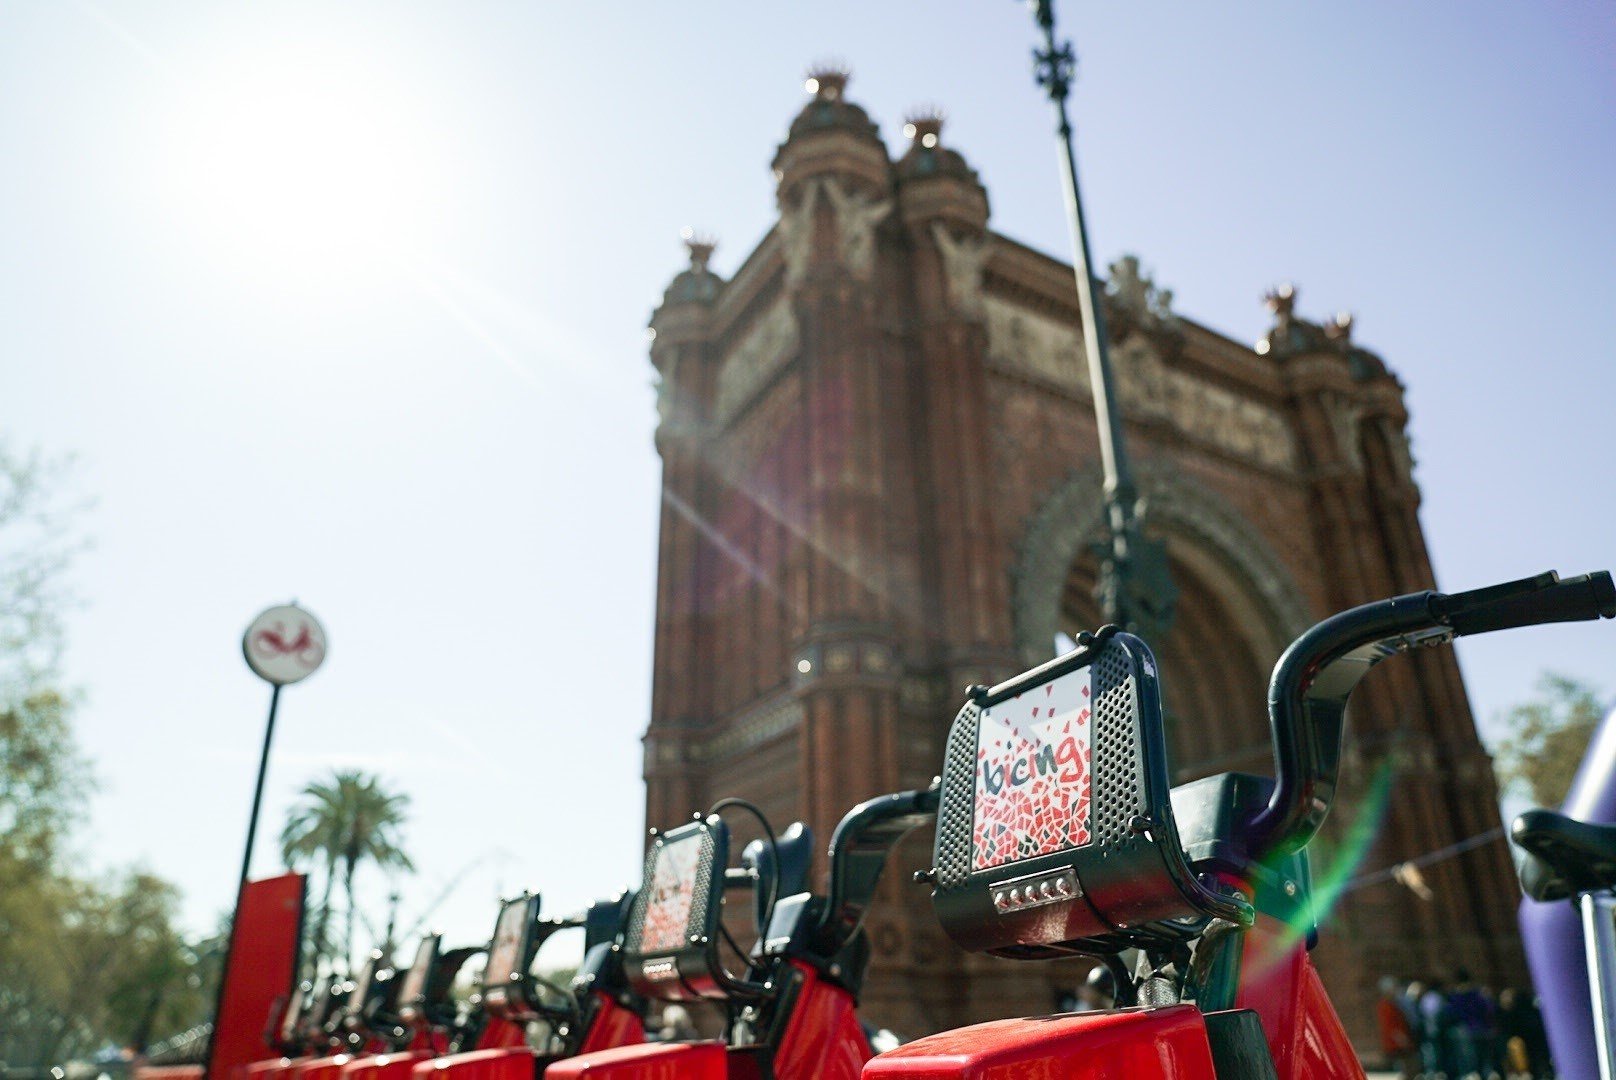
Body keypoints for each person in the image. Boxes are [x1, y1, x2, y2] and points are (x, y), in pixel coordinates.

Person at [1377, 976, 1419, 1079]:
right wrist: (1402, 1040)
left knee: (1411, 1070)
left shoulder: (1395, 1003)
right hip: (1397, 1045)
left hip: (1401, 1043)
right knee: (1408, 1069)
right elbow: (1391, 1027)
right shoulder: (1385, 1006)